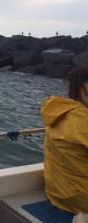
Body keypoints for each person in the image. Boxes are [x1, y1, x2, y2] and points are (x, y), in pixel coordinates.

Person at [41, 64, 88, 217]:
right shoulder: (83, 120)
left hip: (58, 192)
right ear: (84, 87)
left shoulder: (60, 111)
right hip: (81, 197)